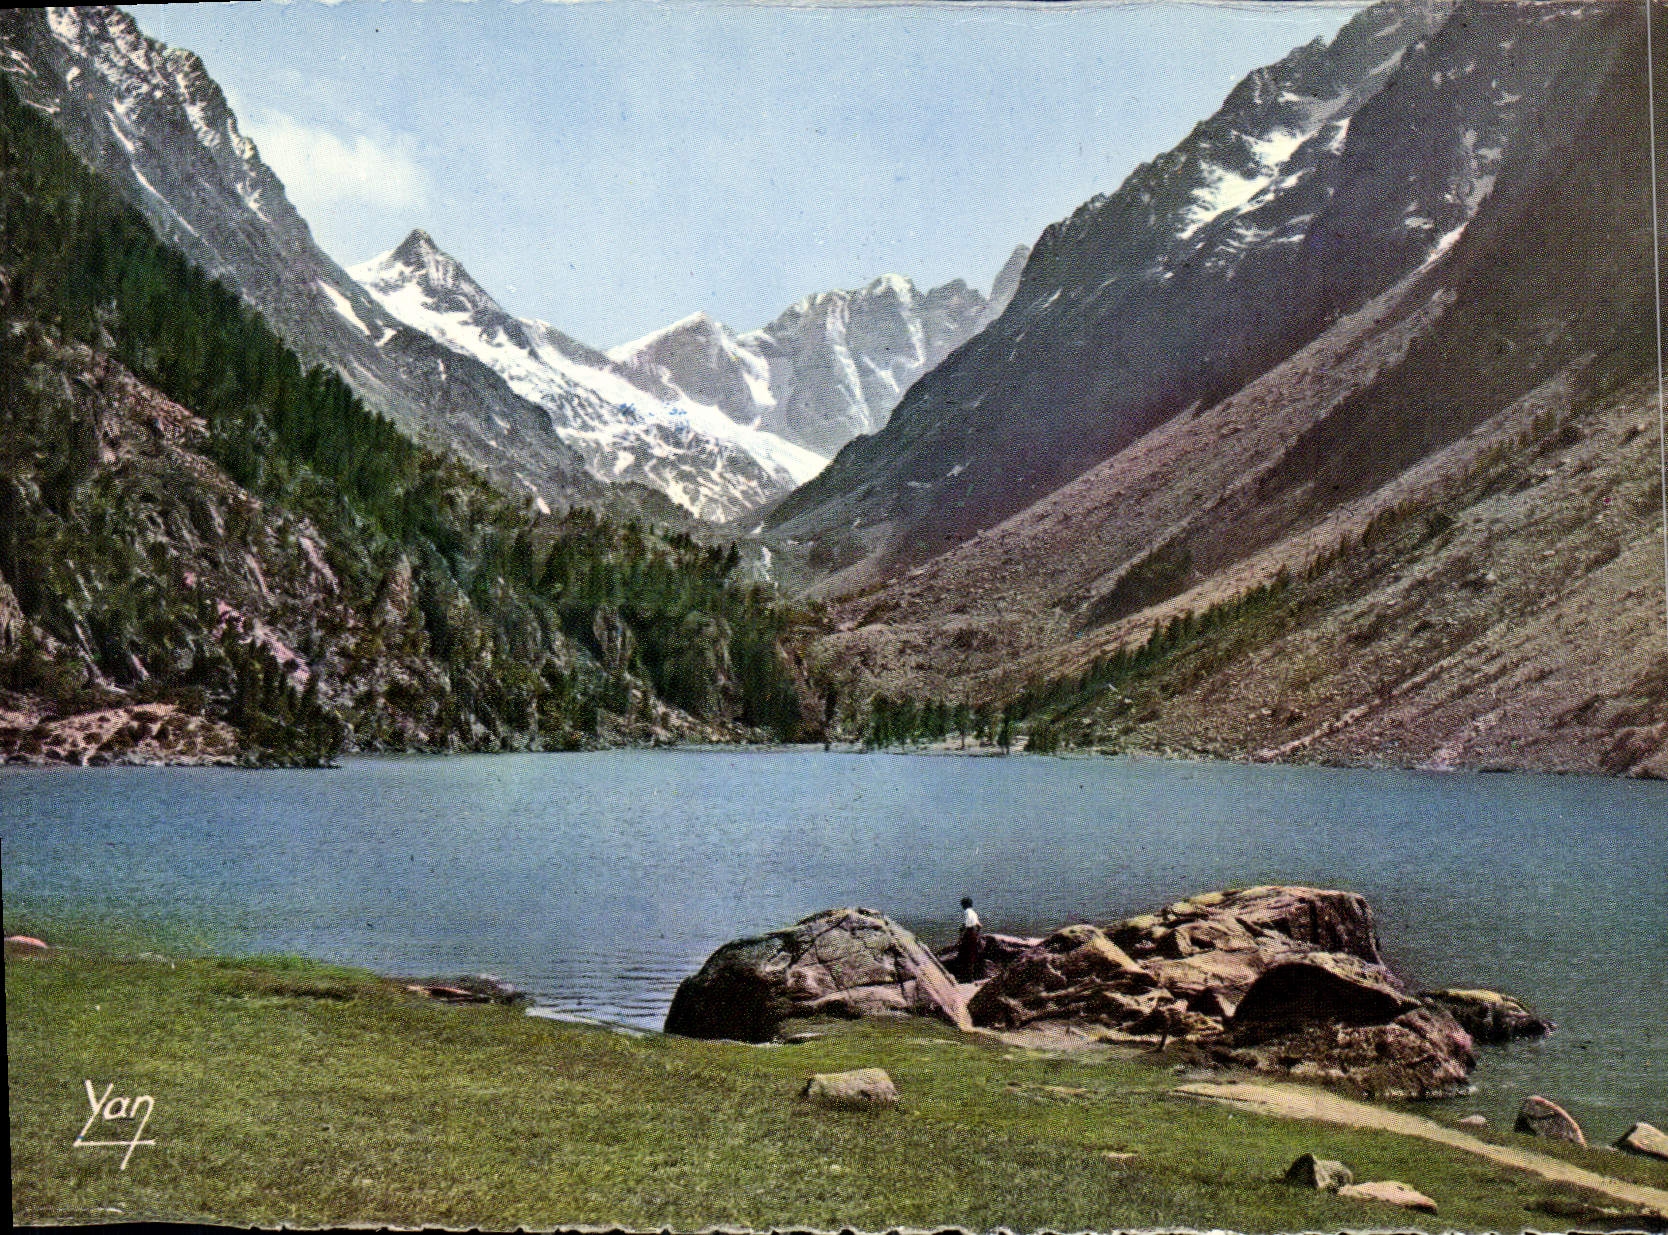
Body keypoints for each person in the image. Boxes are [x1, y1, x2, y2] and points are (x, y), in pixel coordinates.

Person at [954, 896, 985, 981]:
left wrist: (960, 938)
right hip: (974, 934)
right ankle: (971, 977)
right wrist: (977, 935)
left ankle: (966, 978)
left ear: (964, 905)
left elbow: (966, 926)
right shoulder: (974, 913)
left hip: (968, 934)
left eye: (962, 905)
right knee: (971, 956)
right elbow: (979, 926)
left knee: (964, 955)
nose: (962, 906)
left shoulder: (966, 912)